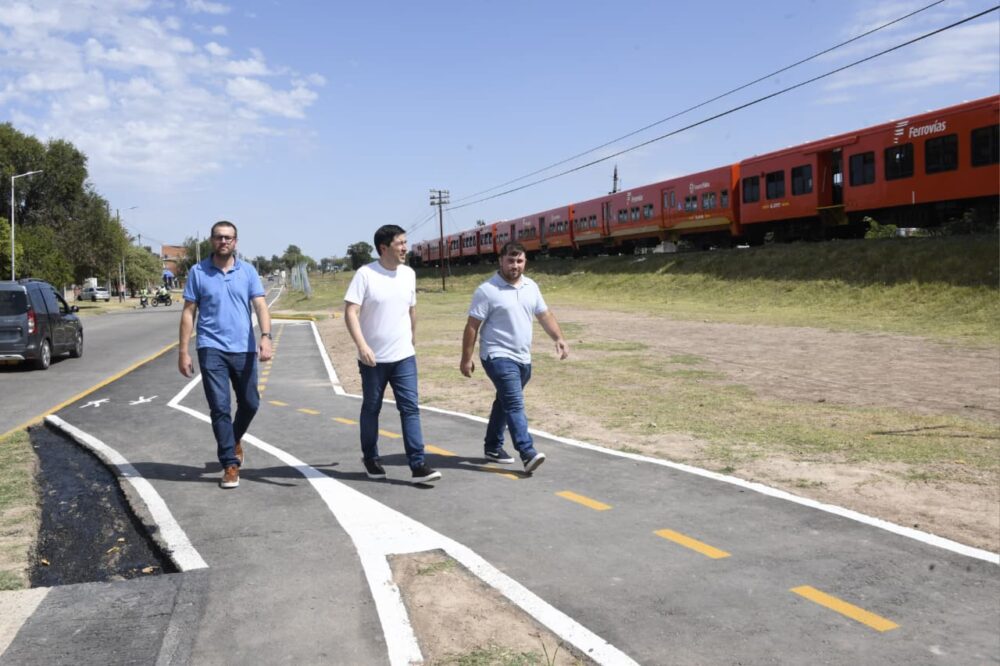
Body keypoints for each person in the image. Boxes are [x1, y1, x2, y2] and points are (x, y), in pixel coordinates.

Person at [178, 220, 273, 489]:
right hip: (211, 348)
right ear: (212, 241)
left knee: (251, 402)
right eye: (219, 237)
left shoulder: (248, 271)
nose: (224, 242)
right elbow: (188, 313)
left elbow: (261, 306)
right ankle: (230, 464)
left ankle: (233, 439)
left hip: (243, 348)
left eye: (228, 238)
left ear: (236, 242)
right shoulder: (198, 272)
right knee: (220, 407)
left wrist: (265, 337)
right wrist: (183, 351)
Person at [460, 241, 569, 473]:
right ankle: (527, 451)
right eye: (510, 260)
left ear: (525, 262)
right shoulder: (487, 290)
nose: (515, 265)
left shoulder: (531, 286)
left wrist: (558, 338)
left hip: (523, 357)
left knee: (505, 401)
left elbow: (544, 314)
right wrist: (466, 358)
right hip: (497, 356)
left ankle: (492, 446)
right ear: (500, 260)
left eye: (519, 261)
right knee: (514, 402)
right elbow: (472, 326)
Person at [344, 224, 441, 484]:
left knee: (410, 409)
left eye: (405, 243)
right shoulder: (365, 275)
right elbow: (350, 311)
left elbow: (411, 309)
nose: (405, 248)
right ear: (384, 248)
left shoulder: (408, 274)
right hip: (373, 359)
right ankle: (370, 457)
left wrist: (412, 338)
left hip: (404, 357)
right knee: (372, 408)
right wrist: (362, 346)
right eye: (400, 243)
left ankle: (418, 464)